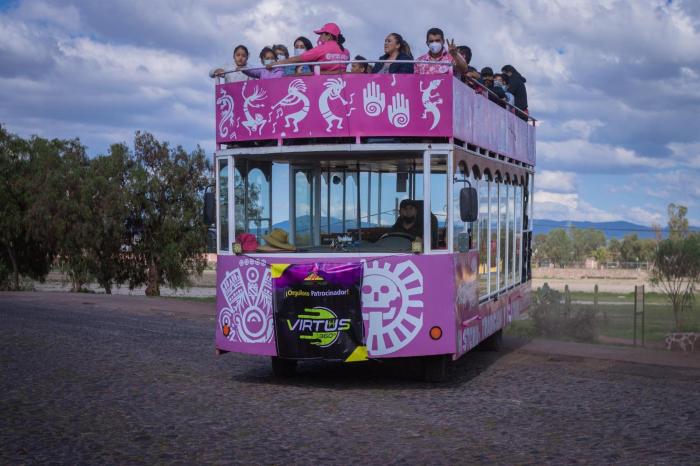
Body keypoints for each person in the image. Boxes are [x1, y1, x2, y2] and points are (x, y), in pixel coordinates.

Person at [270, 23, 350, 74]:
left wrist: (274, 64)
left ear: (329, 35)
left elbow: (297, 58)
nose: (320, 37)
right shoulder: (346, 52)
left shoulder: (321, 49)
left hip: (321, 84)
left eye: (322, 34)